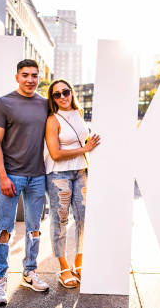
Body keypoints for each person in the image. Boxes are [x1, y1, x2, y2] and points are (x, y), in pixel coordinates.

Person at [0, 59, 50, 305]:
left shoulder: (46, 104)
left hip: (38, 175)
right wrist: (3, 176)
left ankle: (30, 272)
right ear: (17, 77)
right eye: (25, 75)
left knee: (35, 229)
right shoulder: (4, 103)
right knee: (5, 229)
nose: (30, 80)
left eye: (34, 75)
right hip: (11, 175)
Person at [45, 79, 100, 288]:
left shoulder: (79, 113)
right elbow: (55, 154)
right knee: (60, 220)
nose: (62, 97)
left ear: (71, 92)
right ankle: (63, 267)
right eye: (56, 95)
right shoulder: (52, 119)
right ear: (52, 99)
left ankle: (79, 260)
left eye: (65, 92)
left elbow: (84, 139)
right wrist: (85, 150)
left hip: (80, 172)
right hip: (59, 174)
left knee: (84, 216)